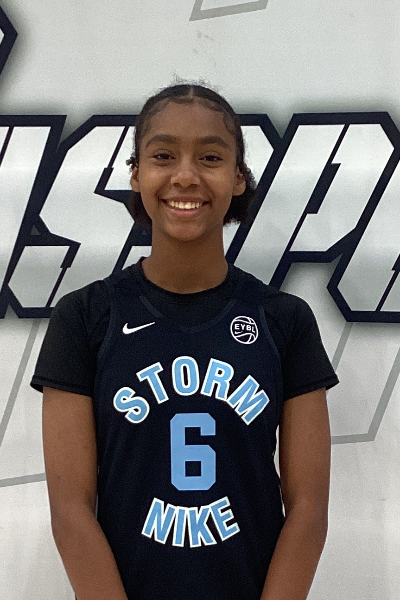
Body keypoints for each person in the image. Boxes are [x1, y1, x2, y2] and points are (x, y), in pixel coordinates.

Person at [31, 83, 339, 600]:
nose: (186, 175)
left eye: (211, 157)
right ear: (136, 173)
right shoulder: (84, 317)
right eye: (163, 155)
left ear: (238, 177)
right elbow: (70, 509)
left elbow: (308, 510)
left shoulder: (285, 320)